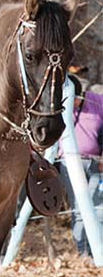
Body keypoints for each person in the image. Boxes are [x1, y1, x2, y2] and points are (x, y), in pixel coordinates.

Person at [58, 74, 103, 256]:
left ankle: (98, 251)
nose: (73, 103)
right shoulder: (57, 106)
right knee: (78, 209)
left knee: (98, 207)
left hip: (95, 163)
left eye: (76, 99)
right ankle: (83, 252)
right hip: (69, 163)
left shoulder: (97, 102)